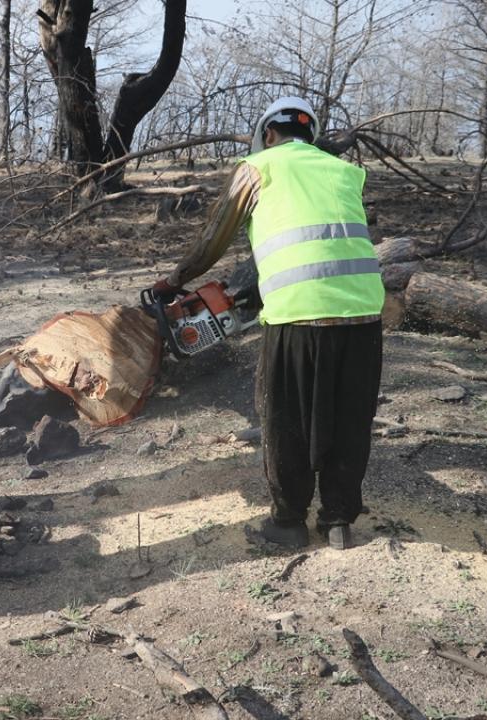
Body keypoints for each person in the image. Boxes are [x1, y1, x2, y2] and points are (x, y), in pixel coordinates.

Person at [153, 97, 385, 549]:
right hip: (363, 313)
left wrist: (174, 280)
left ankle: (288, 522)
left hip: (297, 314)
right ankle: (338, 521)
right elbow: (323, 242)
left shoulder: (258, 167)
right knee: (349, 421)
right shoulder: (344, 171)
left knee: (286, 420)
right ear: (310, 136)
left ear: (269, 135)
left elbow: (214, 239)